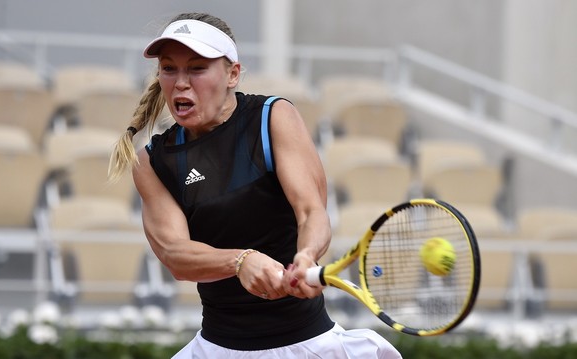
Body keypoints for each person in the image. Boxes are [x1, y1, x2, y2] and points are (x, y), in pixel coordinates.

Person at [109, 12, 402, 359]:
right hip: (217, 348)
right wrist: (240, 261)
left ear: (232, 73)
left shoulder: (272, 117)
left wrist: (306, 255)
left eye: (197, 68)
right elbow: (174, 254)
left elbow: (311, 211)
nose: (180, 82)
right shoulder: (153, 162)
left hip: (311, 344)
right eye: (169, 68)